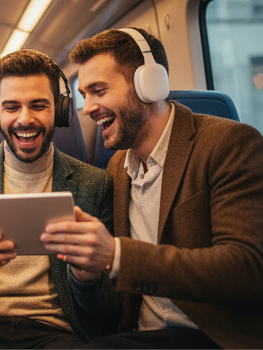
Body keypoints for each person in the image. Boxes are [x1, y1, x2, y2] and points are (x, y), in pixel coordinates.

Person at [57, 27, 263, 349]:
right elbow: (117, 295)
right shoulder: (117, 168)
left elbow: (247, 269)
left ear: (149, 84)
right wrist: (88, 274)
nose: (88, 108)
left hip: (212, 336)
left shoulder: (228, 145)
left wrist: (118, 254)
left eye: (99, 90)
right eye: (85, 95)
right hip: (143, 334)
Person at [0, 50, 117, 349]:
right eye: (11, 107)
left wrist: (87, 279)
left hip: (56, 330)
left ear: (61, 110)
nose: (24, 119)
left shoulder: (95, 184)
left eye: (39, 106)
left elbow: (109, 306)